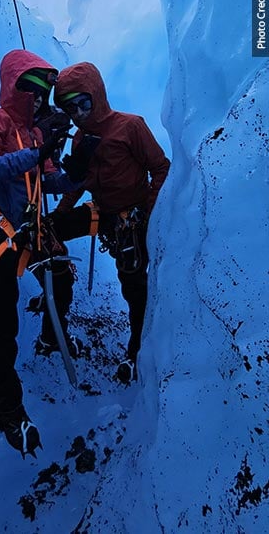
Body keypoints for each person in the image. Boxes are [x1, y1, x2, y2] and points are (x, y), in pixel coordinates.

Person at [0, 49, 82, 458]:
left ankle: (51, 340)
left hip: (28, 228)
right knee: (1, 324)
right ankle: (7, 408)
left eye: (43, 94)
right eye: (33, 91)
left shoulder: (36, 133)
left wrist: (76, 172)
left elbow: (49, 181)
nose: (38, 100)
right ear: (17, 88)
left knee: (62, 278)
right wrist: (37, 151)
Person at [49, 61, 170, 384]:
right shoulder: (80, 139)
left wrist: (149, 213)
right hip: (101, 212)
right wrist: (60, 214)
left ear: (97, 95)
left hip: (132, 218)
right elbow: (78, 182)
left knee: (133, 286)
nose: (77, 113)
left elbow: (160, 167)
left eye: (83, 103)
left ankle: (136, 352)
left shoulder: (131, 127)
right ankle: (51, 328)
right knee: (47, 232)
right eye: (69, 107)